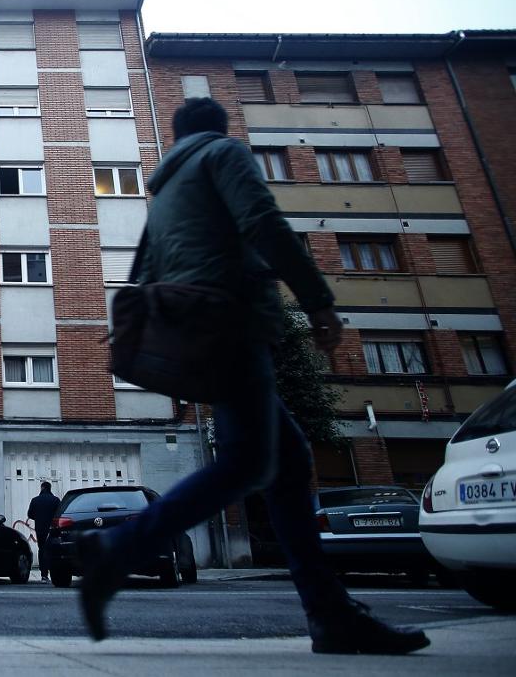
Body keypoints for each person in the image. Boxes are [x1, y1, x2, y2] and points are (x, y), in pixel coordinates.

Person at [78, 98, 429, 655]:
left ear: (176, 134)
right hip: (233, 323)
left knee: (288, 468)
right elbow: (263, 222)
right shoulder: (223, 154)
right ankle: (117, 549)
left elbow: (150, 271)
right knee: (247, 464)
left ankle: (329, 613)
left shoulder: (167, 185)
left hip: (204, 331)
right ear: (219, 127)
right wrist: (318, 301)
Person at [27, 481, 61, 584]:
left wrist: (39, 517)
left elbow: (30, 514)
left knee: (42, 550)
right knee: (54, 550)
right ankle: (56, 573)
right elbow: (59, 514)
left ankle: (44, 575)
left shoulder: (35, 500)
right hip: (53, 529)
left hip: (40, 529)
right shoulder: (55, 500)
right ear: (50, 488)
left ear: (42, 488)